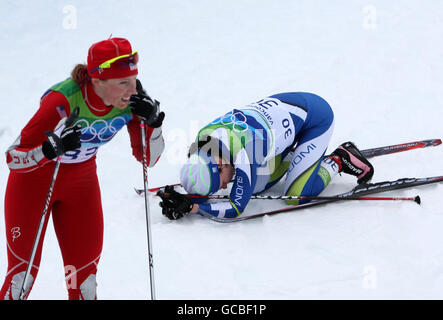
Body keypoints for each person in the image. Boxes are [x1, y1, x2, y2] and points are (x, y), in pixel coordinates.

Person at [1, 37, 165, 300]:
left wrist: (153, 123)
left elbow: (149, 159)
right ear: (97, 81)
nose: (131, 89)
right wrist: (48, 151)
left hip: (81, 186)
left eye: (133, 79)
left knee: (85, 283)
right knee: (22, 277)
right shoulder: (62, 100)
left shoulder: (133, 103)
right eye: (122, 82)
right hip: (33, 186)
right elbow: (12, 158)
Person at [158, 92, 373, 220]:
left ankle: (339, 158)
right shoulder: (203, 140)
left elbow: (234, 208)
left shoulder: (246, 154)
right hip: (281, 112)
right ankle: (295, 158)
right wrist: (183, 197)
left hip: (316, 118)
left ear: (221, 163)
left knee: (296, 196)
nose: (224, 187)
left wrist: (194, 208)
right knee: (257, 185)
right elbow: (201, 167)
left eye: (221, 182)